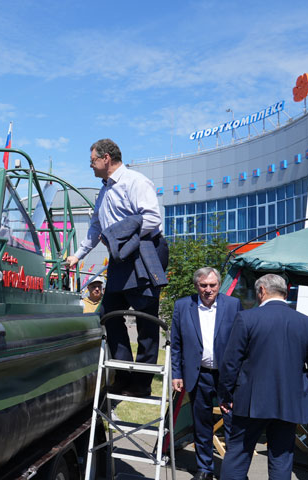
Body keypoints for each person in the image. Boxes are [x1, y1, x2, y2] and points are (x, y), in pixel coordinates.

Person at [66, 138, 168, 397]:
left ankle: (142, 384)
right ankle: (123, 374)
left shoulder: (136, 181)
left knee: (146, 317)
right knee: (109, 313)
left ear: (106, 158)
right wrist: (77, 255)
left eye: (92, 161)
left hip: (145, 252)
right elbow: (96, 228)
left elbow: (153, 219)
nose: (90, 166)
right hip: (120, 257)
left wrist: (122, 239)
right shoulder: (104, 191)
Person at [218, 274, 308, 480]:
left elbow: (231, 363)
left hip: (250, 401)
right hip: (290, 401)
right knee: (282, 458)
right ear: (285, 292)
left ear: (262, 291)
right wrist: (304, 389)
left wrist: (225, 395)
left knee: (238, 454)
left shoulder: (247, 318)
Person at [170, 267, 242, 480]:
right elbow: (176, 344)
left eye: (212, 285)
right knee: (201, 424)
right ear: (196, 286)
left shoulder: (233, 305)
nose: (208, 290)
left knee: (231, 423)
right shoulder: (183, 306)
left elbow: (240, 341)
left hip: (226, 377)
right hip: (198, 375)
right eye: (203, 285)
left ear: (219, 285)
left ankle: (233, 471)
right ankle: (205, 469)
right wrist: (176, 374)